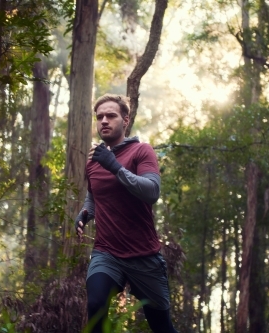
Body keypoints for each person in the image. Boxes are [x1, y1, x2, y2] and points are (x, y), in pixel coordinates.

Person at [75, 94, 178, 333]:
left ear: (125, 119)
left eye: (110, 115)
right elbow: (94, 196)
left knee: (162, 327)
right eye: (99, 117)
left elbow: (151, 191)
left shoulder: (142, 151)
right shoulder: (93, 162)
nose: (104, 121)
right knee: (96, 304)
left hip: (144, 256)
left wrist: (113, 165)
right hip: (106, 253)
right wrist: (84, 214)